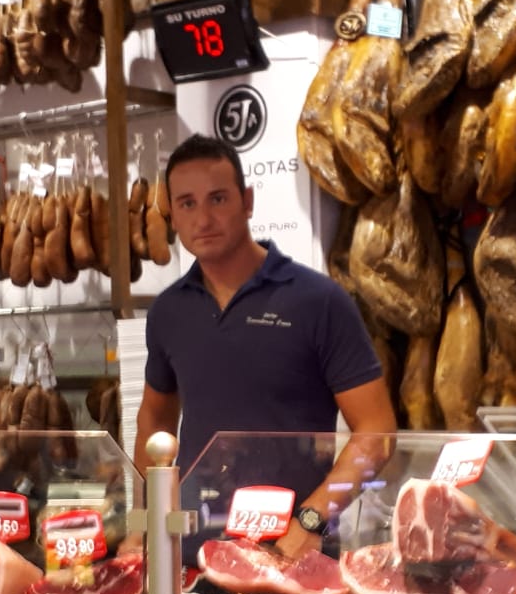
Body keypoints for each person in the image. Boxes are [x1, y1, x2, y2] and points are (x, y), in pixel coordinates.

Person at [134, 134, 396, 558]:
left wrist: (312, 519)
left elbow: (377, 432)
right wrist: (143, 522)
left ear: (248, 201)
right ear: (173, 217)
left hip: (294, 553)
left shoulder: (319, 301)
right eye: (187, 204)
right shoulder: (168, 312)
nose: (203, 218)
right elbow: (154, 421)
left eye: (218, 199)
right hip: (197, 551)